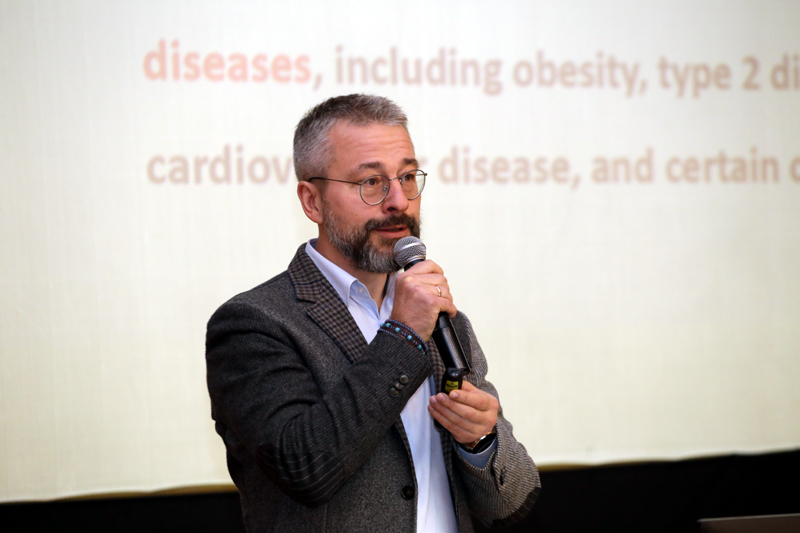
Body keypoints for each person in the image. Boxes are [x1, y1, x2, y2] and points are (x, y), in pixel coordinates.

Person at [205, 94, 540, 533]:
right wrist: (404, 332)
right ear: (312, 201)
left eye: (407, 177)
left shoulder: (445, 321)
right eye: (371, 182)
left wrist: (479, 440)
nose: (398, 200)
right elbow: (307, 468)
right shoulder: (255, 323)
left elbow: (512, 503)